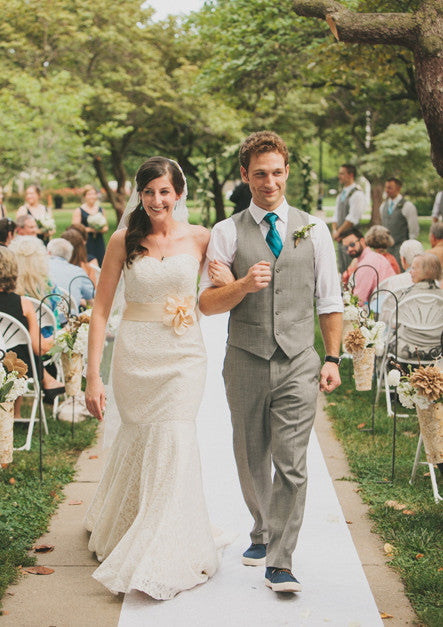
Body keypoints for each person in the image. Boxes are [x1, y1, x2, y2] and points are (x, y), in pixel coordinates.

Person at [199, 131, 343, 594]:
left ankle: (280, 560)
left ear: (287, 172)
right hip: (244, 357)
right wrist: (241, 285)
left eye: (277, 172)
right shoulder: (225, 232)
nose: (269, 181)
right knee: (250, 454)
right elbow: (207, 304)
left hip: (299, 360)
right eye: (259, 173)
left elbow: (330, 300)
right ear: (245, 175)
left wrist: (333, 357)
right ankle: (260, 527)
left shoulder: (314, 229)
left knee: (292, 462)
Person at [84, 156, 230, 599]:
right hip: (135, 355)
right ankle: (128, 522)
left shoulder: (203, 238)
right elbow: (102, 309)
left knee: (175, 437)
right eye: (148, 191)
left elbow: (217, 296)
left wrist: (230, 280)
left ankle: (165, 546)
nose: (156, 200)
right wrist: (94, 376)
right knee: (141, 435)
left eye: (164, 191)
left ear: (179, 194)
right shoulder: (121, 240)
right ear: (139, 194)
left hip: (184, 355)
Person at [0, 247, 65, 416]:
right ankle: (46, 381)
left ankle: (16, 413)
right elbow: (39, 348)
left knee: (13, 349)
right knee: (21, 350)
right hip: (15, 369)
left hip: (7, 363)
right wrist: (62, 337)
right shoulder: (23, 304)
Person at [9, 236, 61, 337]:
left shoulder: (9, 288)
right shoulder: (49, 287)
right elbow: (57, 321)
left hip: (14, 340)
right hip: (47, 341)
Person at [393, 254, 442, 360]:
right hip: (437, 350)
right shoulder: (441, 297)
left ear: (427, 271)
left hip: (407, 348)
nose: (410, 271)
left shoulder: (407, 296)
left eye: (414, 268)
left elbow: (394, 323)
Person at [341, 226, 396, 307]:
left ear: (362, 241)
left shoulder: (366, 263)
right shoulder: (374, 256)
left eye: (352, 244)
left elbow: (359, 300)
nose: (349, 249)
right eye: (346, 247)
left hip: (382, 308)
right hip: (390, 303)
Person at [331, 164, 367, 273]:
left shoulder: (357, 194)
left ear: (350, 175)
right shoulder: (341, 194)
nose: (339, 176)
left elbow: (352, 219)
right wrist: (334, 231)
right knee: (342, 268)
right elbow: (335, 215)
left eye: (342, 173)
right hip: (340, 238)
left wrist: (338, 232)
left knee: (352, 268)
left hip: (352, 238)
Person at [380, 178, 419, 266]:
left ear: (398, 189)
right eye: (386, 188)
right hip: (387, 249)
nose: (387, 191)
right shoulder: (383, 206)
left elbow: (414, 231)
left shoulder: (407, 206)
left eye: (390, 188)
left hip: (401, 248)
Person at [47, 238, 95, 310]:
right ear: (69, 255)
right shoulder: (78, 272)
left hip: (42, 317)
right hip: (70, 317)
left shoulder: (38, 269)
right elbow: (91, 296)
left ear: (49, 253)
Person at [71, 185, 108, 266]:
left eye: (94, 194)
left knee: (101, 263)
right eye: (89, 194)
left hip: (99, 241)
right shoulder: (79, 210)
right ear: (84, 196)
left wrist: (99, 229)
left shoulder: (101, 210)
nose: (92, 196)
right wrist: (90, 229)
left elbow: (106, 228)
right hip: (86, 242)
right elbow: (75, 229)